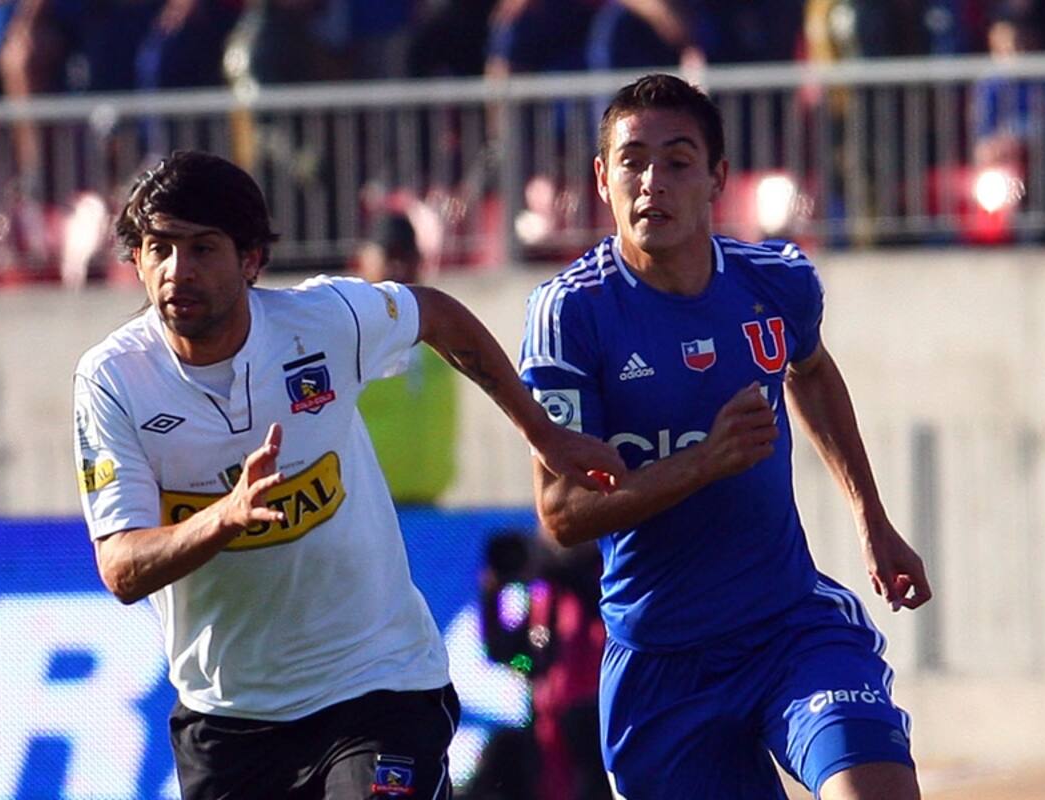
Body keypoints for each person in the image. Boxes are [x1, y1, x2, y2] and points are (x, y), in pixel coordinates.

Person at [72, 150, 623, 800]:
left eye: (201, 249)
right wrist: (224, 515)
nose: (176, 271)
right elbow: (121, 568)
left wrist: (542, 430)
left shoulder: (323, 322)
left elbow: (435, 315)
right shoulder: (113, 380)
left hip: (377, 686)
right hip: (228, 717)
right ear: (135, 259)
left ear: (251, 260)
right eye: (158, 248)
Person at [518, 74, 933, 799]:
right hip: (661, 666)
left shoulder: (777, 284)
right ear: (601, 178)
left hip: (792, 632)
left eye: (677, 162)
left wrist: (872, 519)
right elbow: (560, 514)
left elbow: (810, 372)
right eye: (632, 161)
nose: (652, 182)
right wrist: (704, 462)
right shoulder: (571, 316)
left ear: (717, 179)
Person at [464, 530, 610, 800]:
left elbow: (593, 601)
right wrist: (492, 595)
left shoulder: (607, 576)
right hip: (548, 728)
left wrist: (555, 569)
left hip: (597, 721)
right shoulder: (544, 596)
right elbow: (511, 655)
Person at [353, 212, 457, 505]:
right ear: (364, 259)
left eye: (408, 257)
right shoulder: (351, 334)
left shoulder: (435, 331)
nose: (399, 268)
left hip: (429, 502)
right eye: (389, 256)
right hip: (368, 504)